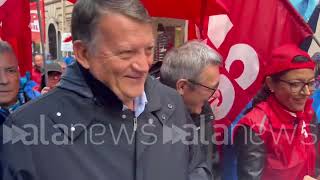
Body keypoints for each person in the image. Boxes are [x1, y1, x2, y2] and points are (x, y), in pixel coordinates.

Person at [2, 0, 210, 180]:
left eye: (148, 50)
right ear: (83, 53)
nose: (143, 66)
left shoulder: (171, 102)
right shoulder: (24, 130)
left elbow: (198, 167)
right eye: (126, 53)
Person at [234, 44, 318, 180]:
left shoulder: (308, 112)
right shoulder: (255, 127)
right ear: (271, 84)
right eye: (296, 84)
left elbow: (315, 161)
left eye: (310, 83)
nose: (306, 92)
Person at [160, 40, 222, 179]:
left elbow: (211, 163)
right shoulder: (146, 119)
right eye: (211, 88)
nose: (217, 94)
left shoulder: (204, 111)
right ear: (182, 87)